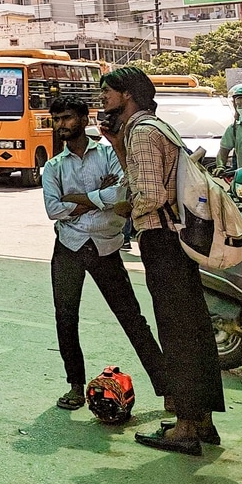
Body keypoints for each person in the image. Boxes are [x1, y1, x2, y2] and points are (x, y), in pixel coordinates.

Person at [101, 66, 224, 454]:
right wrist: (117, 145)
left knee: (176, 333)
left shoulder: (142, 132)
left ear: (127, 94)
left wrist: (129, 211)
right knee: (194, 329)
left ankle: (185, 428)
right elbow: (145, 179)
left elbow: (151, 194)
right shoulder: (157, 127)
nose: (102, 97)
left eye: (108, 91)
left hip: (162, 241)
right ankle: (202, 421)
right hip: (179, 241)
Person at [41, 95, 165, 411]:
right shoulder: (53, 167)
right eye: (57, 120)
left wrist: (78, 198)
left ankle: (168, 390)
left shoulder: (110, 153)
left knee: (131, 318)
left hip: (106, 246)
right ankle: (75, 386)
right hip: (68, 247)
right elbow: (54, 209)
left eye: (67, 118)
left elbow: (121, 191)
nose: (61, 125)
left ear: (84, 120)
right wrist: (101, 198)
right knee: (65, 318)